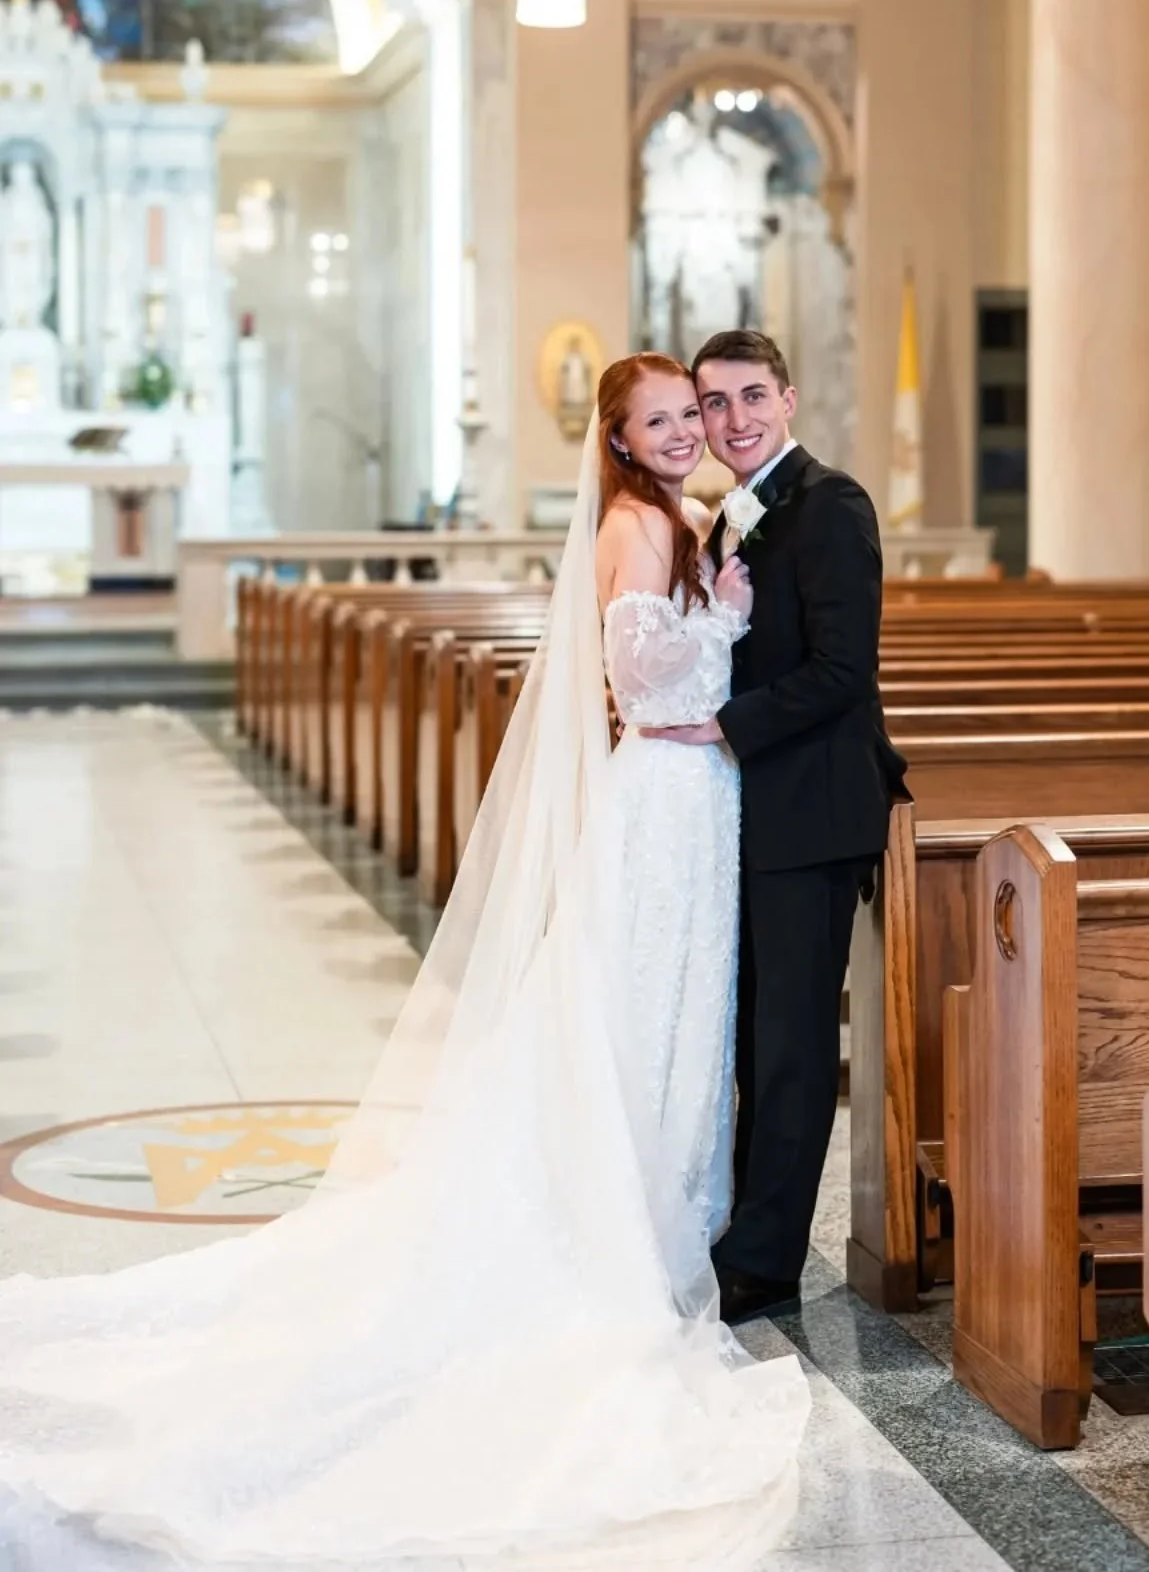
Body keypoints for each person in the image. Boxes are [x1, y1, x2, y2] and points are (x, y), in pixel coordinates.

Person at [0, 352, 809, 1570]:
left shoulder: (681, 521)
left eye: (693, 412)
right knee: (638, 1006)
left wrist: (726, 615)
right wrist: (727, 652)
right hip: (671, 792)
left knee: (669, 1009)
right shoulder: (641, 529)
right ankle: (618, 1223)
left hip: (699, 803)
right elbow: (642, 682)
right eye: (662, 420)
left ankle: (659, 1210)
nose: (690, 430)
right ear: (624, 442)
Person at [646, 330, 908, 1326]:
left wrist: (724, 723)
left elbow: (846, 672)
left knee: (794, 1046)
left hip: (814, 810)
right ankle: (745, 1229)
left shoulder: (831, 505)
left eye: (752, 397)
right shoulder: (731, 520)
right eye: (714, 404)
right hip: (752, 813)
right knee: (753, 1036)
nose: (734, 419)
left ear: (789, 402)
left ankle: (767, 1261)